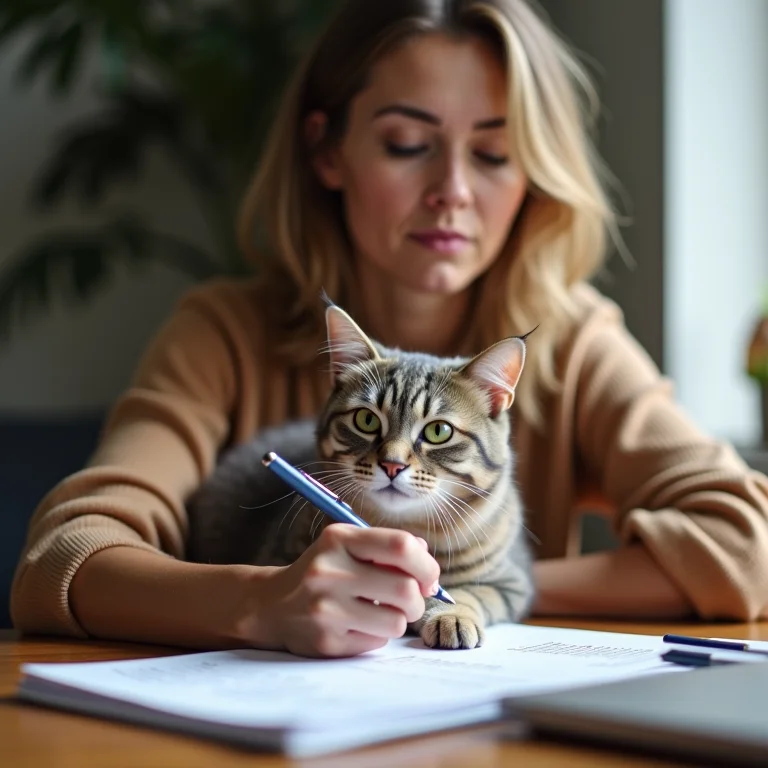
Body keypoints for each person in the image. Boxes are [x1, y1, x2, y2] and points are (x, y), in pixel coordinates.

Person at [10, 0, 768, 658]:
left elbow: (750, 543)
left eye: (495, 153)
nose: (453, 191)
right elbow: (61, 558)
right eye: (408, 144)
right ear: (327, 150)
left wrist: (475, 584)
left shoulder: (575, 345)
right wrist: (260, 601)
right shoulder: (224, 334)